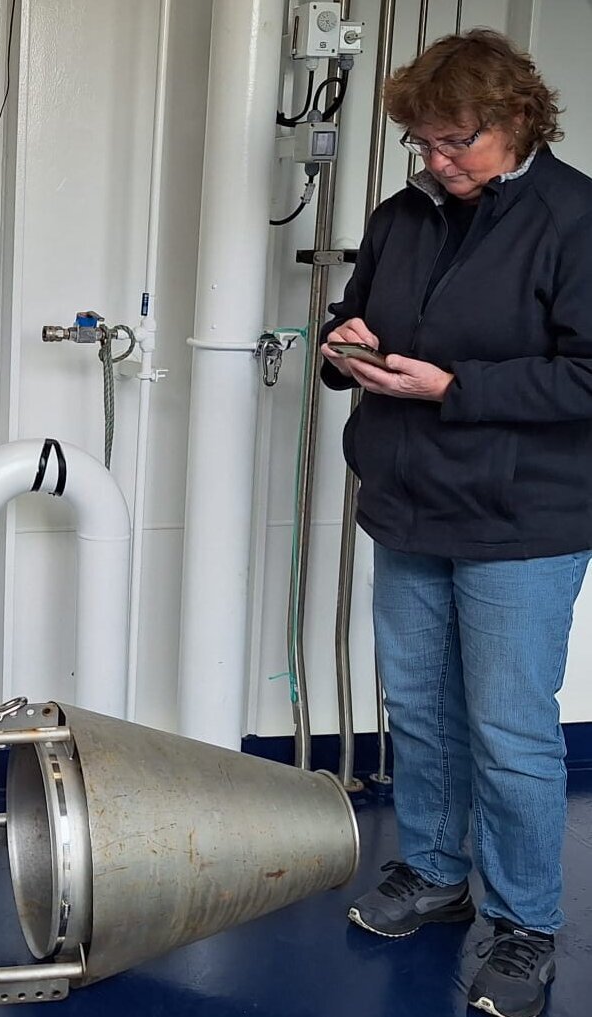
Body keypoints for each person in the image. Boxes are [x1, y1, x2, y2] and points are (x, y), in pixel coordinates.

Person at [320, 29, 592, 1017]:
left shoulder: (574, 218)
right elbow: (352, 311)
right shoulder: (403, 215)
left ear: (516, 120)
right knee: (422, 714)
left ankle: (523, 926)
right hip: (407, 499)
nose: (435, 162)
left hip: (521, 515)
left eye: (454, 143)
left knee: (508, 731)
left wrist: (453, 387)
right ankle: (434, 875)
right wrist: (340, 342)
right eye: (422, 144)